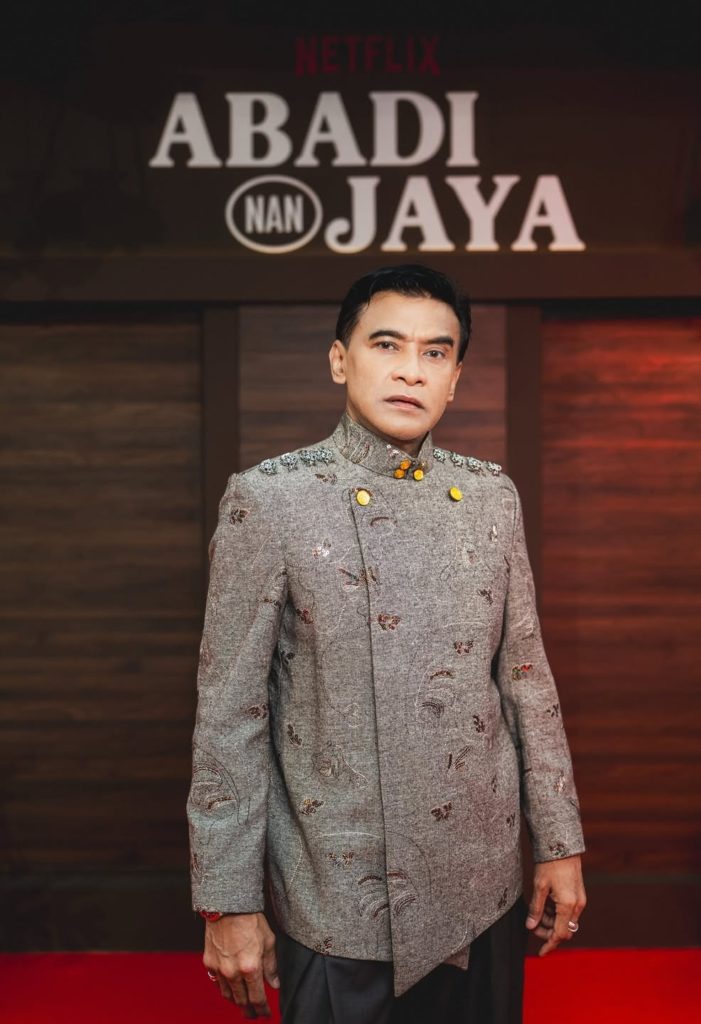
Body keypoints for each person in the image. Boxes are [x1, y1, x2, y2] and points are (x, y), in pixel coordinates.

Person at [187, 264, 587, 1023]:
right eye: (387, 344)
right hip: (339, 893)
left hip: (480, 884)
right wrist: (227, 900)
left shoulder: (490, 496)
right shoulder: (271, 499)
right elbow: (230, 713)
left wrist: (560, 842)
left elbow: (526, 679)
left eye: (436, 352)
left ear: (456, 378)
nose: (411, 370)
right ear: (341, 360)